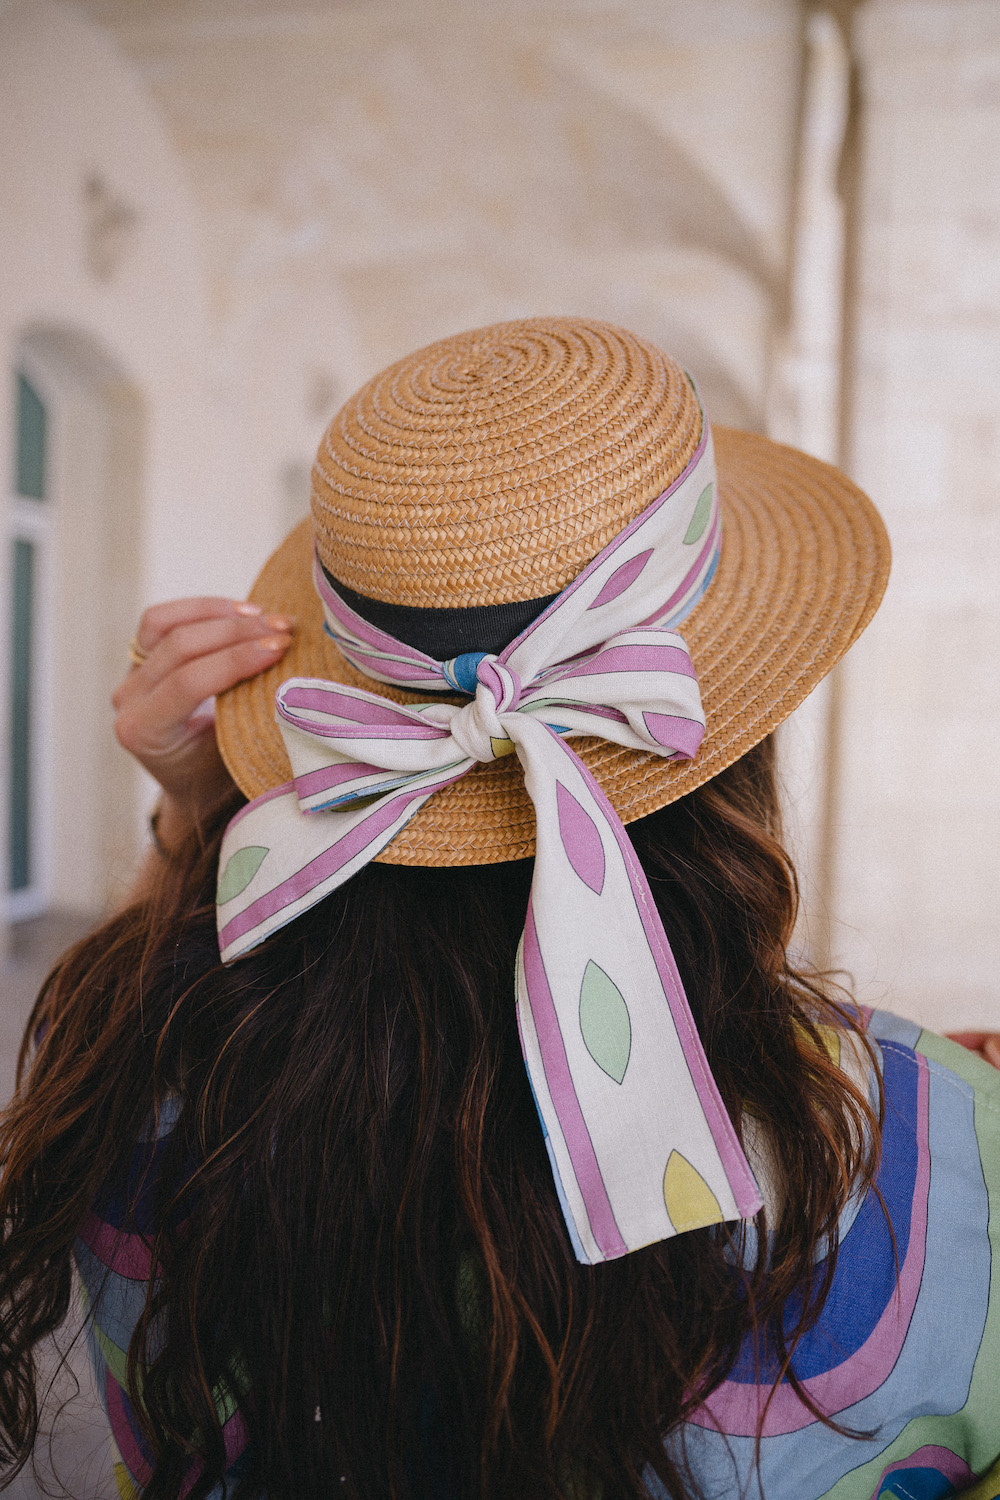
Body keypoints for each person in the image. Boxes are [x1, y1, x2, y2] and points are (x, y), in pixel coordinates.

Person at [0, 318, 997, 1500]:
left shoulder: (124, 1071)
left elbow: (172, 976)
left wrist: (191, 830)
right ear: (732, 737)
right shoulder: (939, 1140)